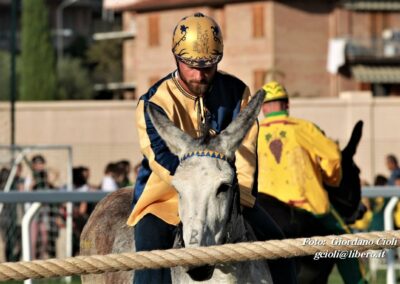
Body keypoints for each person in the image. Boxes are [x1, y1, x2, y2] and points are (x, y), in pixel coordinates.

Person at [127, 13, 296, 284]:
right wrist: (195, 183)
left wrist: (238, 196)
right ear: (176, 59)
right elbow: (157, 156)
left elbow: (247, 151)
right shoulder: (153, 102)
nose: (199, 74)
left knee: (283, 254)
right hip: (164, 198)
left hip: (227, 193)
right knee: (150, 266)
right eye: (191, 65)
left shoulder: (237, 91)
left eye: (208, 65)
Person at [256, 81, 366, 283]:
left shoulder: (251, 133)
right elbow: (333, 157)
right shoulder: (305, 127)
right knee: (344, 238)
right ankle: (357, 281)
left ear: (263, 108)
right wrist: (331, 180)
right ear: (287, 105)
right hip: (308, 205)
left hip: (262, 209)